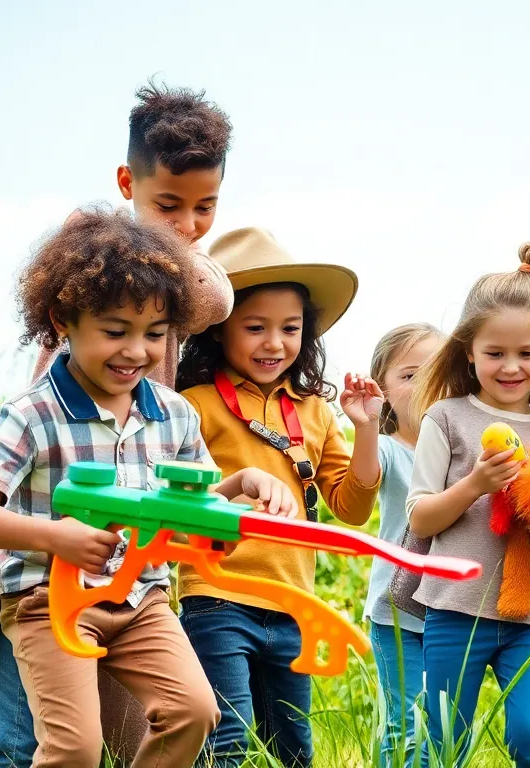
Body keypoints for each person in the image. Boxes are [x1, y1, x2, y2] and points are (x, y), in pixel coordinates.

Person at [0, 80, 235, 767]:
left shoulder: (168, 404)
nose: (188, 225)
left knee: (93, 730)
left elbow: (212, 296)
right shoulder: (85, 262)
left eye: (205, 208)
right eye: (168, 204)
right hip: (28, 521)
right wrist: (124, 231)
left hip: (122, 558)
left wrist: (159, 240)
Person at [0, 206, 296, 766]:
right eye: (116, 331)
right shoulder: (32, 414)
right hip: (47, 599)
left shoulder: (174, 414)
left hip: (142, 598)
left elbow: (192, 504)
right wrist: (57, 538)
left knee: (193, 712)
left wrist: (239, 488)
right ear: (64, 319)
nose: (136, 351)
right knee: (75, 749)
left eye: (155, 334)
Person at [174, 226, 383, 767]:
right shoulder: (191, 404)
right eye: (255, 327)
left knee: (294, 751)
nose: (274, 344)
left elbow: (352, 509)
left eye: (290, 329)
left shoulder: (314, 410)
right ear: (220, 331)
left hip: (293, 602)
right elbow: (178, 501)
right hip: (215, 596)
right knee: (227, 742)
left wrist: (365, 430)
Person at [404, 243, 530, 768]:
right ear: (468, 352)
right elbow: (421, 517)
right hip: (456, 608)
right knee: (443, 738)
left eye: (526, 353)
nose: (510, 367)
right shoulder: (447, 419)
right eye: (494, 353)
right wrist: (475, 484)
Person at [362, 321, 444, 768]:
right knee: (406, 723)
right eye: (408, 375)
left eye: (435, 371)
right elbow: (364, 475)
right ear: (385, 390)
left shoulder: (466, 449)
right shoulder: (390, 450)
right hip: (396, 609)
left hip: (452, 608)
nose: (424, 384)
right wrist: (366, 422)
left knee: (449, 723)